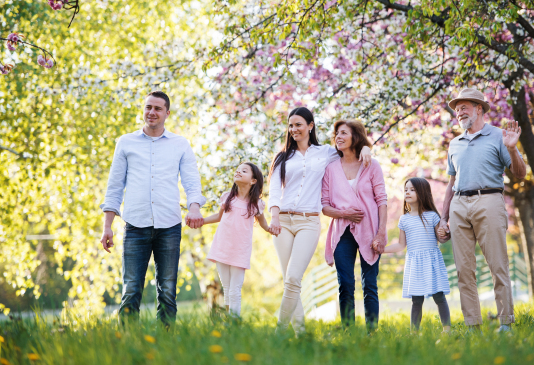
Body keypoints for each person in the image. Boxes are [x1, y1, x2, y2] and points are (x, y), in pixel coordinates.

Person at [100, 91, 206, 327]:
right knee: (130, 290)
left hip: (169, 225)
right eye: (148, 107)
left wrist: (195, 208)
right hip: (135, 225)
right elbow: (114, 185)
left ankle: (166, 344)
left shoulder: (180, 144)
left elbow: (191, 180)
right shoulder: (126, 142)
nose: (152, 112)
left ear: (167, 113)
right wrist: (107, 226)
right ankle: (128, 342)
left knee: (167, 291)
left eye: (158, 108)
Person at [268, 107, 372, 334]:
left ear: (310, 126)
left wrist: (365, 147)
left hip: (309, 221)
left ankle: (279, 331)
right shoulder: (282, 156)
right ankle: (301, 332)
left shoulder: (325, 152)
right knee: (290, 281)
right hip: (283, 221)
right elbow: (274, 190)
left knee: (294, 276)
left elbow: (349, 151)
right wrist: (274, 217)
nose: (293, 129)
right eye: (290, 125)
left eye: (298, 124)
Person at [437, 88, 526, 332]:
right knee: (464, 270)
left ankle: (506, 323)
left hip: (488, 200)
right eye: (456, 109)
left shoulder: (499, 135)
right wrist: (442, 218)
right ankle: (472, 326)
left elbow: (520, 174)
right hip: (458, 205)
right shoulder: (454, 143)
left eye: (464, 107)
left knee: (498, 265)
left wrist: (511, 148)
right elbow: (450, 183)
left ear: (479, 109)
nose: (459, 113)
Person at [321, 119, 387, 330]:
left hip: (370, 231)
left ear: (355, 137)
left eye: (343, 133)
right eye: (336, 134)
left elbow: (382, 200)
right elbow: (324, 206)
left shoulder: (371, 164)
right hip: (342, 233)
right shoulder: (330, 169)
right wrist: (344, 213)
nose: (338, 137)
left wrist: (381, 233)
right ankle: (348, 332)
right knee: (346, 285)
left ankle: (372, 332)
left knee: (370, 284)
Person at [383, 178, 451, 334]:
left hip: (431, 261)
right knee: (416, 300)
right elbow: (401, 245)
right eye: (406, 189)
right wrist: (382, 250)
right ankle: (414, 332)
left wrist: (446, 232)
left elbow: (441, 238)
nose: (407, 192)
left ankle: (447, 329)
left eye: (412, 189)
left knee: (439, 296)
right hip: (415, 263)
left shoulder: (433, 216)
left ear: (422, 193)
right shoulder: (404, 219)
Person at [203, 162, 271, 316]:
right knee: (227, 288)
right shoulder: (227, 197)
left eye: (244, 171)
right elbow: (218, 217)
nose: (238, 172)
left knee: (235, 290)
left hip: (240, 251)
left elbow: (263, 223)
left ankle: (235, 321)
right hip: (222, 247)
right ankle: (229, 322)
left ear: (253, 180)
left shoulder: (256, 204)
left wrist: (270, 229)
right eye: (238, 170)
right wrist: (202, 220)